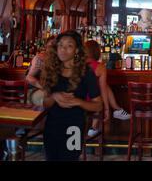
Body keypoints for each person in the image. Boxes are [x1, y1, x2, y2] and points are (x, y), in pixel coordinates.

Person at [41, 31, 103, 161]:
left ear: (76, 50)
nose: (63, 49)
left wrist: (77, 102)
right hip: (52, 126)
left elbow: (98, 105)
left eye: (69, 46)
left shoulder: (86, 73)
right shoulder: (51, 71)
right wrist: (54, 96)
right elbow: (45, 104)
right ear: (56, 48)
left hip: (74, 128)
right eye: (61, 45)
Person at [84, 40, 130, 137]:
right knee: (102, 89)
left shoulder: (76, 65)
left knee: (104, 86)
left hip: (77, 99)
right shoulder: (100, 67)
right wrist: (107, 109)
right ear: (97, 52)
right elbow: (103, 90)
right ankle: (94, 126)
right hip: (91, 101)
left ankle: (117, 109)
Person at [26, 36, 56, 106]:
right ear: (46, 47)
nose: (53, 48)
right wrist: (44, 88)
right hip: (34, 89)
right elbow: (29, 77)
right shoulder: (40, 58)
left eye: (55, 46)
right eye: (50, 46)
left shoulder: (59, 60)